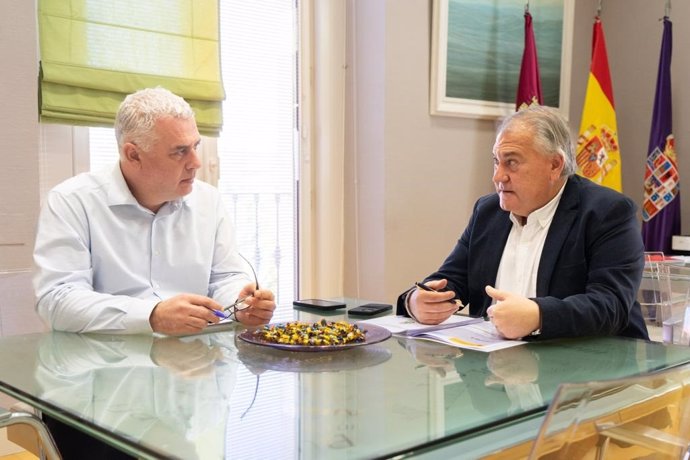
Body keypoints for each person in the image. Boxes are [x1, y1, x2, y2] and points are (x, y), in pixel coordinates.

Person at [33, 87, 276, 336]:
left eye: (196, 146)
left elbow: (225, 276)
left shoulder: (208, 200)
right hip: (107, 365)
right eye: (180, 151)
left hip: (195, 363)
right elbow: (57, 302)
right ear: (134, 154)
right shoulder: (71, 202)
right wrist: (152, 316)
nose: (196, 162)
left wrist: (241, 304)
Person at [397, 105, 648, 341]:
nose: (498, 176)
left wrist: (538, 316)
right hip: (496, 370)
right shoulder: (488, 211)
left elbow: (611, 305)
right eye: (496, 161)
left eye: (512, 162)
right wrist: (417, 300)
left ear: (554, 164)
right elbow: (450, 280)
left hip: (594, 374)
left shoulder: (607, 212)